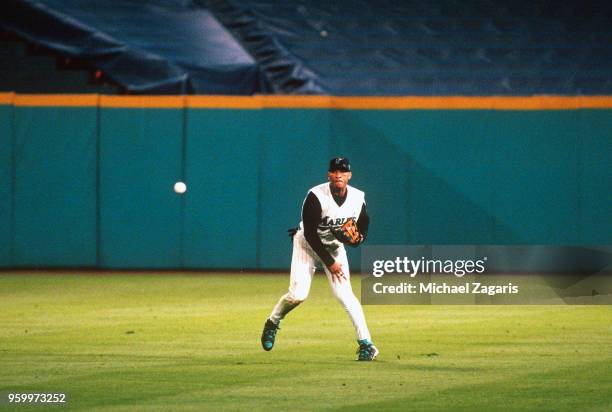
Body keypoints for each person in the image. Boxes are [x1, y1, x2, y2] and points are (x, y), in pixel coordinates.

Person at [261, 157, 379, 361]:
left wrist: (357, 240)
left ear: (349, 175)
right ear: (329, 175)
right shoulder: (316, 195)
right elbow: (311, 234)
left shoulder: (358, 197)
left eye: (343, 171)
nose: (339, 174)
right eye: (335, 171)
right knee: (298, 295)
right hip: (307, 245)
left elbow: (363, 227)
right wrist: (330, 263)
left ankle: (366, 344)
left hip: (333, 247)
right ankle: (273, 321)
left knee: (346, 295)